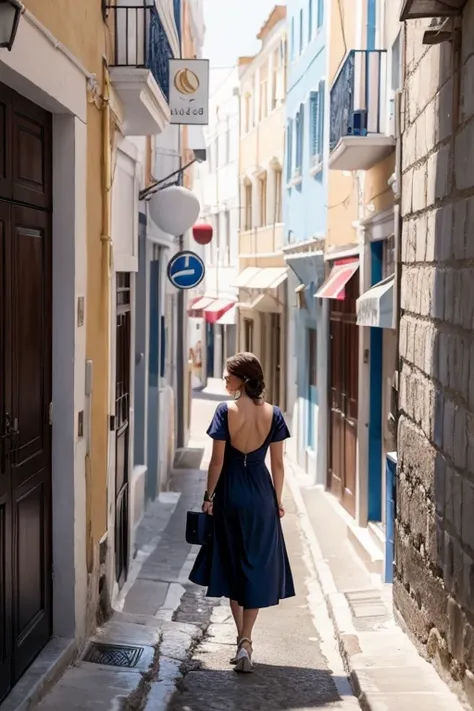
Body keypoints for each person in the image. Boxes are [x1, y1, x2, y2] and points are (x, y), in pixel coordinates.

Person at [189, 352, 295, 673]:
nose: (223, 381)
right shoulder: (274, 414)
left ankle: (241, 641)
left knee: (233, 563)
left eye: (227, 376)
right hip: (261, 494)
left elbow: (217, 462)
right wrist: (277, 499)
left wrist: (209, 497)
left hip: (231, 494)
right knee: (255, 566)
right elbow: (277, 464)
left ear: (242, 380)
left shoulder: (225, 411)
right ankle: (247, 639)